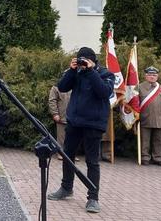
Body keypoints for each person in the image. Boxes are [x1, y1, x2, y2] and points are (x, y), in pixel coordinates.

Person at [47, 47, 114, 214]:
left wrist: (91, 71)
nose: (82, 64)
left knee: (92, 161)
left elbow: (104, 92)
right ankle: (66, 188)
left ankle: (93, 198)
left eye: (85, 61)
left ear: (93, 61)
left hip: (94, 124)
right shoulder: (76, 72)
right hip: (75, 122)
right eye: (80, 60)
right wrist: (71, 70)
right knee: (67, 156)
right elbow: (62, 87)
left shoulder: (105, 74)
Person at [132, 66, 161, 166]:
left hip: (160, 118)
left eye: (154, 75)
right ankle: (145, 157)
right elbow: (134, 103)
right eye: (149, 75)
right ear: (145, 76)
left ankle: (158, 158)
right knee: (145, 140)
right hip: (146, 118)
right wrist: (135, 116)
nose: (152, 77)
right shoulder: (139, 87)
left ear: (157, 76)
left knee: (159, 141)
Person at [47, 85, 72, 160]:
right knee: (61, 137)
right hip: (62, 116)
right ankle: (60, 153)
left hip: (73, 117)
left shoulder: (74, 85)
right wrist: (55, 113)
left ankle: (71, 154)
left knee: (72, 137)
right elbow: (52, 101)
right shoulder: (56, 87)